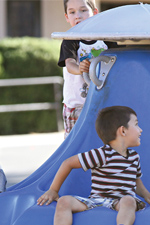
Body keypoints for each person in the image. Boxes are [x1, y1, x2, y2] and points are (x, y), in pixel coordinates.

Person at [36, 106, 150, 225]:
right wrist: (54, 190)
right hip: (97, 200)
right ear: (122, 131)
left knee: (129, 201)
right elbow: (68, 163)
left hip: (120, 201)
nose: (141, 130)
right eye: (136, 124)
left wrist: (146, 194)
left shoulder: (134, 157)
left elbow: (135, 179)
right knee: (64, 201)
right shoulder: (101, 154)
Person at [59, 0, 117, 138]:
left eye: (83, 10)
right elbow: (69, 64)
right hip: (78, 104)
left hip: (103, 102)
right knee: (75, 142)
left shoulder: (105, 37)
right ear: (67, 17)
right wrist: (80, 68)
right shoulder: (70, 39)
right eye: (72, 12)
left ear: (95, 13)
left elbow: (120, 58)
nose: (78, 16)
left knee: (103, 140)